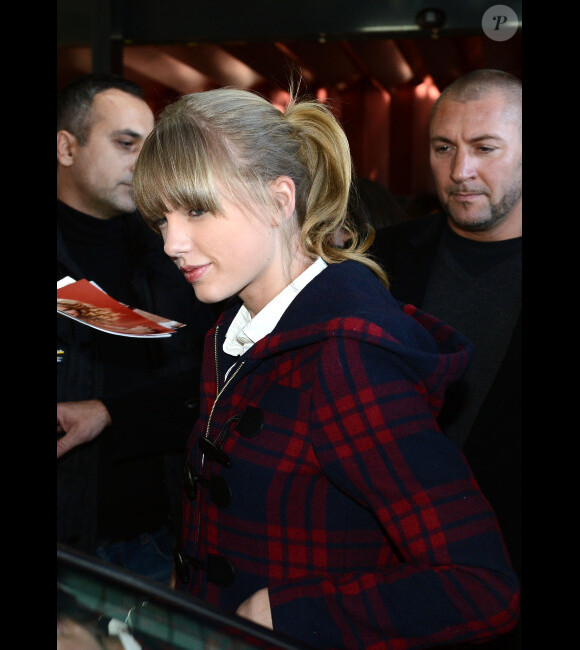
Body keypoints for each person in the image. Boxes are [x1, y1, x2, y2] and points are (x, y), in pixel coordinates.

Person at [131, 85, 520, 648]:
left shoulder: (347, 353)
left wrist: (287, 613)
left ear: (279, 199)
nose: (172, 241)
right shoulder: (232, 330)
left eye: (196, 209)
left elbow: (482, 586)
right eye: (160, 218)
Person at [370, 69, 522, 648]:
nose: (460, 171)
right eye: (443, 148)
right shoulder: (378, 262)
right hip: (389, 576)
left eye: (485, 148)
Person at [57, 74, 217, 583]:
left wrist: (110, 411)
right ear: (66, 146)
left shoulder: (172, 254)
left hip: (155, 539)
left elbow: (204, 380)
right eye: (126, 143)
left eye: (149, 148)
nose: (142, 162)